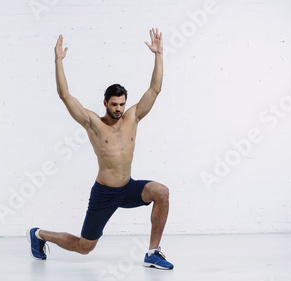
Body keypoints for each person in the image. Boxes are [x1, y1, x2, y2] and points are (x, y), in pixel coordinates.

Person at [27, 28, 173, 270]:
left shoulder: (133, 117)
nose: (118, 109)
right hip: (104, 194)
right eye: (114, 104)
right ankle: (38, 234)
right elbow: (65, 95)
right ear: (105, 103)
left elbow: (155, 89)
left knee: (162, 192)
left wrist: (158, 54)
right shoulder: (93, 123)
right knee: (85, 247)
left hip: (128, 188)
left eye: (122, 104)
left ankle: (152, 253)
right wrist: (58, 61)